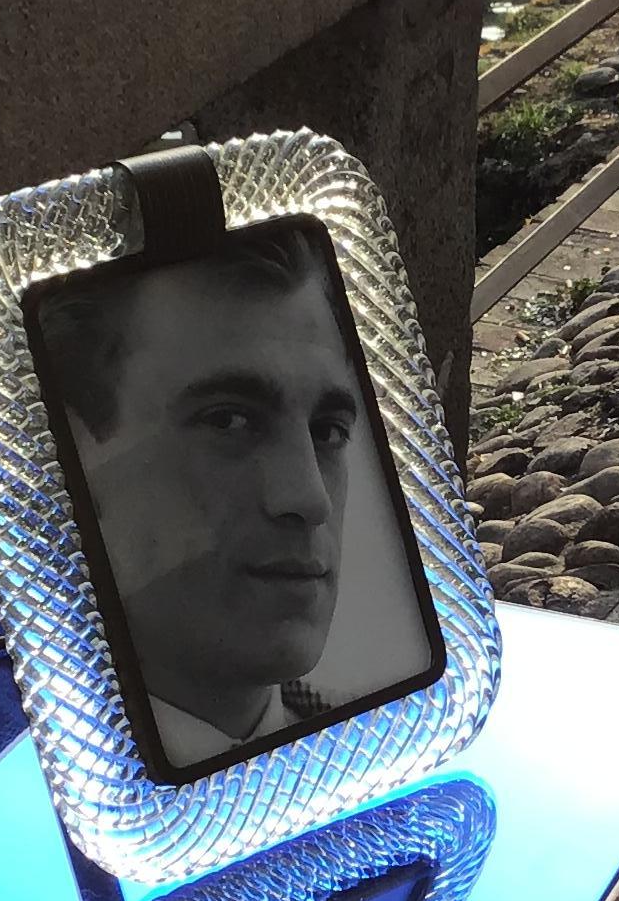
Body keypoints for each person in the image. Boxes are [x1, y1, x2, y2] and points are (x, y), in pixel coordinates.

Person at [32, 225, 415, 773]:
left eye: (328, 431)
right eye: (228, 420)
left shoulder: (381, 750)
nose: (309, 498)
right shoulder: (6, 779)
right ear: (71, 459)